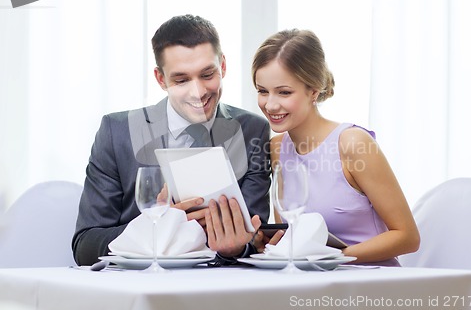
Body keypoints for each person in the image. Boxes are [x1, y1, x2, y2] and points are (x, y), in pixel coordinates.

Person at [72, 14, 271, 265]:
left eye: (207, 74)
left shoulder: (252, 131)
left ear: (222, 66)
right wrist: (151, 229)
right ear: (160, 79)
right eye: (181, 80)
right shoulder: (116, 132)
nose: (198, 92)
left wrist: (236, 250)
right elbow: (85, 246)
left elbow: (257, 237)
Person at [251, 29, 420, 266]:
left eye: (284, 92)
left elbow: (408, 237)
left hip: (372, 284)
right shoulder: (277, 148)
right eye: (262, 91)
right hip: (313, 283)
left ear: (313, 90)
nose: (270, 104)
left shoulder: (353, 143)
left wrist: (333, 257)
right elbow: (293, 236)